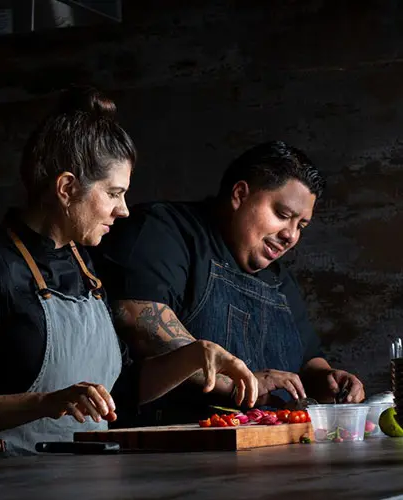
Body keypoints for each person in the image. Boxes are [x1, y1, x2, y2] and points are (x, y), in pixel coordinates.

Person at [0, 87, 258, 456]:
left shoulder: (86, 267)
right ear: (66, 188)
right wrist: (46, 403)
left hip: (87, 479)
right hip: (0, 482)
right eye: (114, 193)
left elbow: (121, 393)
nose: (124, 210)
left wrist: (195, 354)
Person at [93, 140, 365, 425]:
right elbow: (139, 324)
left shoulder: (279, 280)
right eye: (283, 216)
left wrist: (329, 379)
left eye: (301, 225)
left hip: (271, 454)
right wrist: (242, 384)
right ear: (240, 195)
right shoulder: (163, 231)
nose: (291, 236)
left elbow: (309, 360)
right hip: (172, 450)